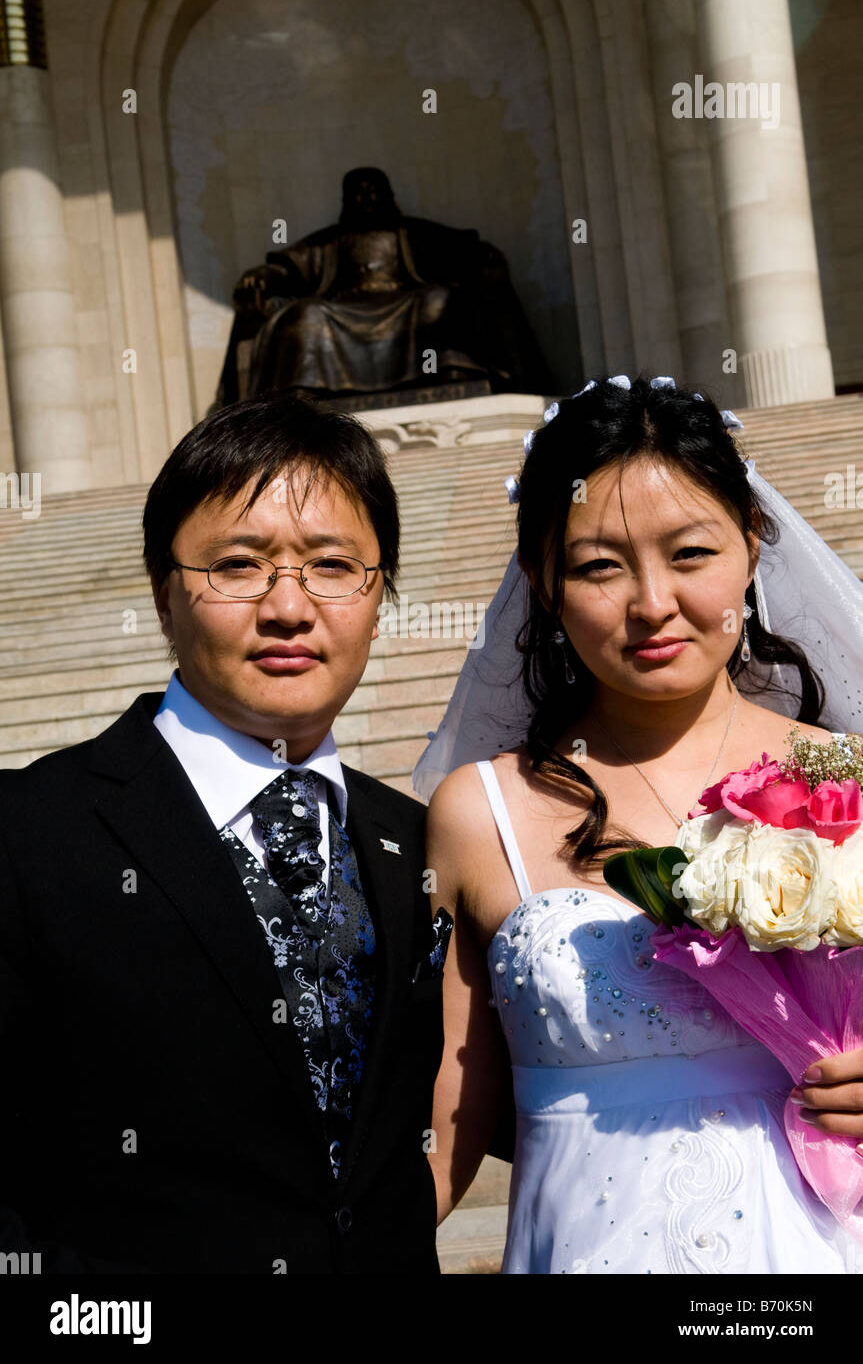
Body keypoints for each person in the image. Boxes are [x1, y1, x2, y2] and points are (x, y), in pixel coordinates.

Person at [417, 375, 863, 1274]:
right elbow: (446, 1126)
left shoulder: (845, 779)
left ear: (750, 546)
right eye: (597, 565)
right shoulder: (478, 813)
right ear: (542, 584)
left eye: (690, 553)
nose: (651, 602)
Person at [0, 392, 448, 1274]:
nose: (289, 607)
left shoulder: (416, 843)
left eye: (331, 566)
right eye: (238, 566)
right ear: (165, 597)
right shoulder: (27, 833)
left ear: (378, 592)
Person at [215, 166, 551, 407]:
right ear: (345, 201)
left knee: (439, 300)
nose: (367, 198)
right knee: (307, 315)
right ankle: (308, 393)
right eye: (359, 193)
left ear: (390, 196)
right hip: (343, 308)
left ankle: (452, 374)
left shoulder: (413, 233)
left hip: (406, 302)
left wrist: (484, 259)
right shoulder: (331, 242)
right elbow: (286, 267)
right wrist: (262, 275)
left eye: (374, 190)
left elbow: (462, 250)